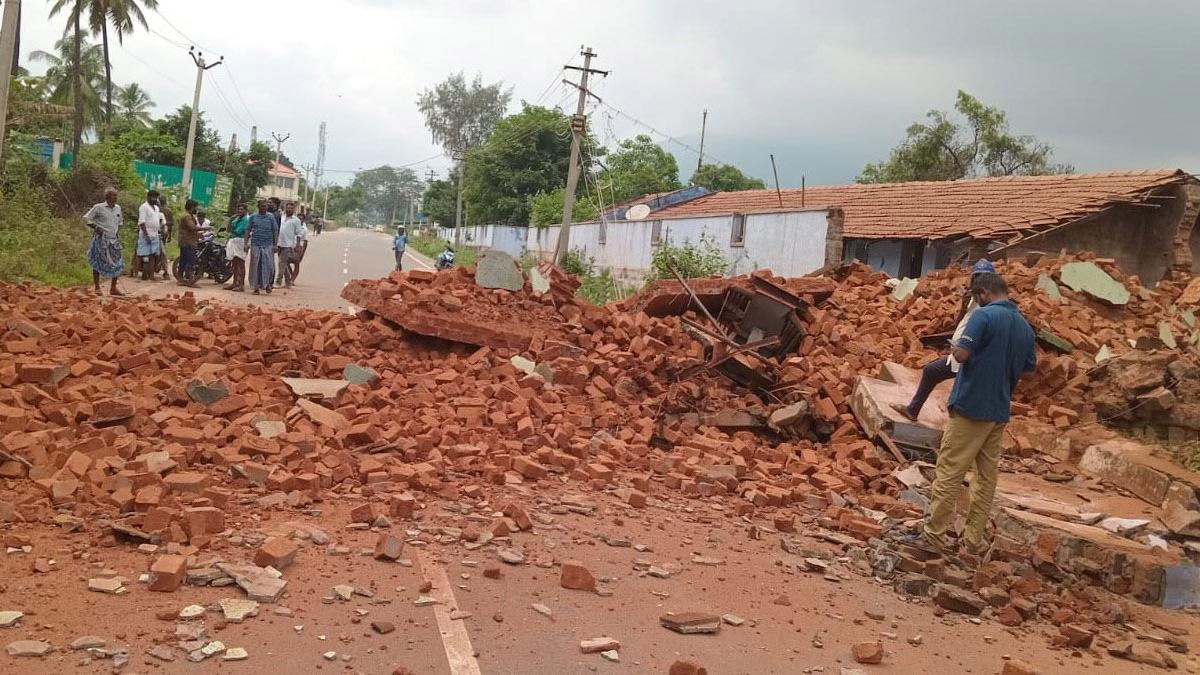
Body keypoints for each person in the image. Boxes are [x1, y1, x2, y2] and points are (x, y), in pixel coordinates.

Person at [906, 273, 1036, 556]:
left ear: (984, 293)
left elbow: (961, 354)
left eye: (977, 297)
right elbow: (1028, 369)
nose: (976, 301)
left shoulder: (983, 316)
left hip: (971, 407)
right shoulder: (1025, 327)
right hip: (999, 411)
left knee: (949, 471)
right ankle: (972, 541)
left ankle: (934, 536)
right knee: (985, 479)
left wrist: (957, 346)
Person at [891, 259, 997, 422]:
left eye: (984, 278)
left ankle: (958, 428)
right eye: (977, 277)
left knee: (959, 393)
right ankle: (913, 410)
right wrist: (963, 305)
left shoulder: (992, 305)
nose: (980, 281)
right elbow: (961, 323)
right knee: (931, 371)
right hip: (960, 353)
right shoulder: (973, 299)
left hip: (972, 357)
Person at [83, 187, 126, 296]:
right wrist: (96, 227)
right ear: (107, 197)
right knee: (97, 262)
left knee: (117, 262)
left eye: (116, 195)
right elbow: (87, 218)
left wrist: (117, 234)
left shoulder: (118, 208)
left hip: (113, 240)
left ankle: (113, 288)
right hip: (100, 239)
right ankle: (97, 287)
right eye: (113, 195)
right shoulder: (98, 207)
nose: (115, 197)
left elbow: (120, 222)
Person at [245, 200, 279, 295]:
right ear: (258, 206)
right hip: (255, 244)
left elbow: (275, 231)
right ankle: (256, 287)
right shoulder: (253, 217)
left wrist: (275, 244)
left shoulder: (271, 217)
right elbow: (248, 230)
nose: (264, 208)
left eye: (266, 206)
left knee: (269, 266)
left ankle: (267, 284)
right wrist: (246, 243)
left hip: (268, 245)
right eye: (262, 206)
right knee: (255, 266)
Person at [134, 190, 161, 281]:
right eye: (153, 197)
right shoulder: (143, 207)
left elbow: (156, 220)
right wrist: (146, 235)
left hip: (155, 234)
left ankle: (151, 275)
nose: (155, 199)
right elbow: (142, 222)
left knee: (153, 255)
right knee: (140, 254)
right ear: (148, 197)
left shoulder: (156, 208)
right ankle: (137, 274)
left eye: (156, 198)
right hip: (145, 234)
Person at [275, 202, 303, 289]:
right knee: (284, 264)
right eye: (288, 208)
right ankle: (288, 282)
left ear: (294, 209)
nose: (289, 209)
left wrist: (297, 245)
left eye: (291, 208)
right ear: (285, 208)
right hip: (279, 243)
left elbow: (299, 234)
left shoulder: (296, 220)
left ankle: (278, 282)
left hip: (288, 244)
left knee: (281, 263)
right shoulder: (281, 217)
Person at [225, 203, 250, 292]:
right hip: (234, 241)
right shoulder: (236, 218)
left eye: (242, 209)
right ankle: (235, 282)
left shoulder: (247, 219)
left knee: (240, 263)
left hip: (241, 241)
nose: (239, 211)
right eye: (238, 209)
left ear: (246, 210)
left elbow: (238, 231)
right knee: (234, 263)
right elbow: (229, 229)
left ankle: (241, 284)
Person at [177, 199, 201, 287]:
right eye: (196, 207)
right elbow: (192, 228)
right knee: (191, 260)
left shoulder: (188, 215)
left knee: (183, 260)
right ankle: (190, 281)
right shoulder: (187, 216)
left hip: (185, 240)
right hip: (188, 241)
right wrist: (206, 229)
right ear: (192, 207)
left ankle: (180, 279)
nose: (196, 209)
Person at [156, 197, 174, 280]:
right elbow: (170, 225)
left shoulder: (157, 210)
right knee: (162, 251)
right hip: (163, 233)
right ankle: (164, 270)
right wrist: (169, 235)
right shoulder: (168, 211)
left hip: (160, 233)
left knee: (161, 251)